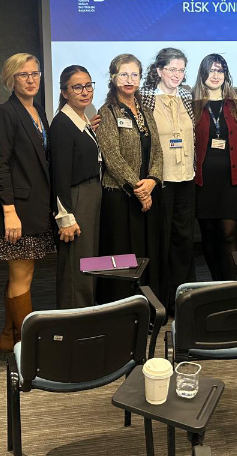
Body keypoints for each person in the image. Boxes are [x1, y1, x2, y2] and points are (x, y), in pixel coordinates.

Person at [0, 54, 55, 356]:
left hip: (35, 207)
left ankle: (9, 335)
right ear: (10, 79)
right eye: (23, 75)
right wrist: (9, 211)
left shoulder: (37, 110)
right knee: (21, 276)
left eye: (35, 73)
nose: (31, 79)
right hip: (16, 211)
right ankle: (28, 346)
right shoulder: (4, 113)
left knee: (22, 275)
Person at [97, 54, 163, 302]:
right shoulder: (107, 112)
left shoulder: (145, 110)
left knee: (146, 253)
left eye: (134, 75)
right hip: (120, 197)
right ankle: (121, 307)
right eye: (123, 74)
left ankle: (147, 306)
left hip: (148, 194)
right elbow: (112, 157)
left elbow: (157, 151)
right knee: (123, 256)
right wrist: (138, 189)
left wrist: (152, 181)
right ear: (113, 78)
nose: (129, 79)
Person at [142, 47, 196, 308]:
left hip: (186, 178)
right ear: (159, 70)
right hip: (160, 180)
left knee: (183, 239)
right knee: (161, 240)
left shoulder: (186, 96)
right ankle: (160, 300)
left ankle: (182, 299)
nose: (177, 74)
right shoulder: (145, 98)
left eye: (181, 70)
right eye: (172, 69)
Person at [50, 65, 102, 308]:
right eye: (77, 87)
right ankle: (74, 317)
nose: (85, 92)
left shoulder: (81, 119)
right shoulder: (62, 124)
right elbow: (59, 173)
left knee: (88, 260)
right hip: (76, 197)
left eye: (88, 86)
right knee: (76, 263)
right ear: (64, 92)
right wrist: (65, 216)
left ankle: (86, 311)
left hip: (91, 194)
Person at [192, 54, 237, 281]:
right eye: (211, 71)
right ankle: (217, 284)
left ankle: (230, 284)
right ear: (202, 74)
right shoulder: (192, 104)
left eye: (220, 71)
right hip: (203, 182)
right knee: (209, 234)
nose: (215, 76)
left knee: (229, 234)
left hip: (232, 181)